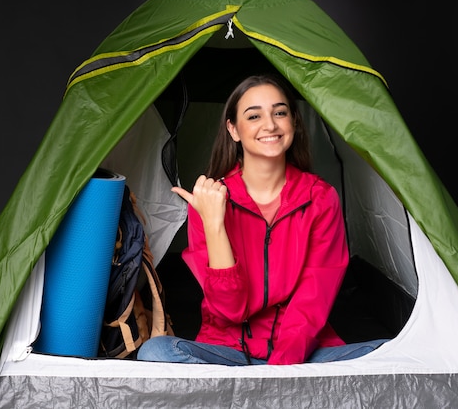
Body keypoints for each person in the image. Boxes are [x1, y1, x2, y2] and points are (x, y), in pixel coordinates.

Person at [137, 75, 387, 366]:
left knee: (392, 356)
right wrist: (215, 223)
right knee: (156, 353)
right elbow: (229, 310)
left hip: (300, 354)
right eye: (254, 116)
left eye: (279, 112)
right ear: (233, 130)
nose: (270, 125)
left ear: (293, 122)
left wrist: (277, 373)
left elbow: (312, 301)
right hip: (228, 355)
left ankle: (254, 395)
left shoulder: (320, 198)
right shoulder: (209, 201)